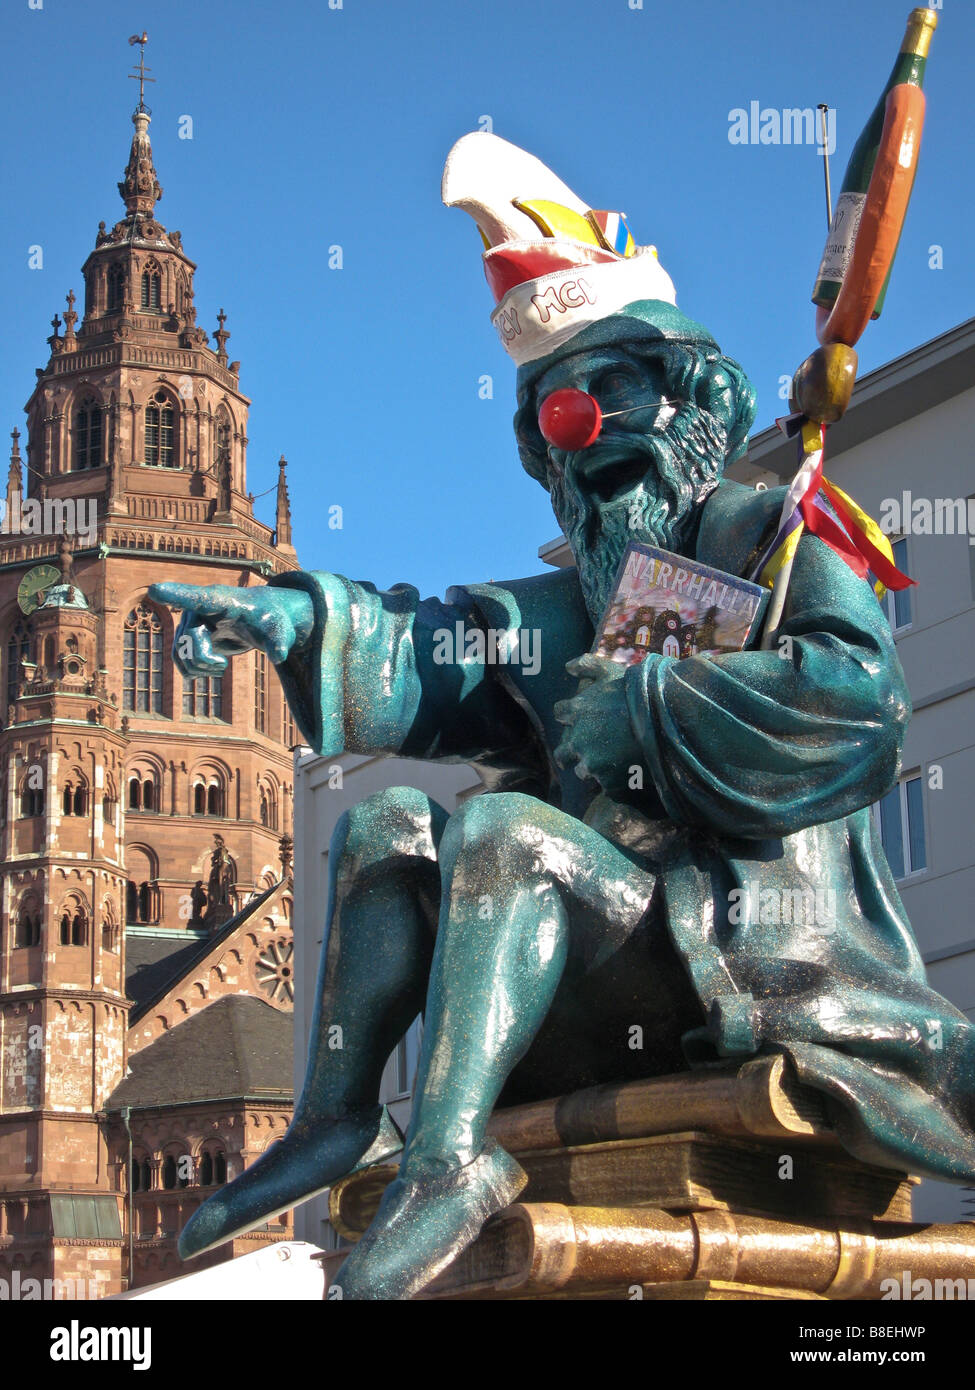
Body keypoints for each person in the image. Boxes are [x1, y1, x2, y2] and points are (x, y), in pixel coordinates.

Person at [150, 133, 975, 1299]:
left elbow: (860, 704)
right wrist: (279, 618)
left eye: (604, 398)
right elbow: (421, 652)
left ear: (686, 400)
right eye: (549, 417)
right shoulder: (571, 601)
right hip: (606, 966)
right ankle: (334, 1117)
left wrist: (655, 699)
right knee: (387, 824)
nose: (575, 436)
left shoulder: (772, 533)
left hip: (739, 951)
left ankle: (449, 1162)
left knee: (503, 833)